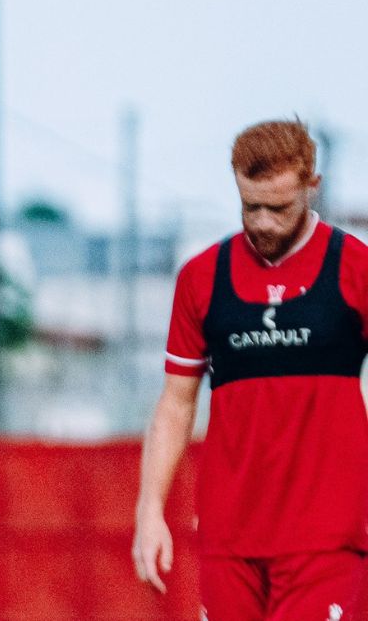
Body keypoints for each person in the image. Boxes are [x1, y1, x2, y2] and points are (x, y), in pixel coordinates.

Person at [132, 119, 368, 620]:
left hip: (328, 540)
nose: (261, 222)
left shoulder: (355, 268)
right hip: (228, 540)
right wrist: (149, 511)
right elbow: (176, 405)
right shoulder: (202, 278)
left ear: (312, 187)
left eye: (278, 208)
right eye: (249, 206)